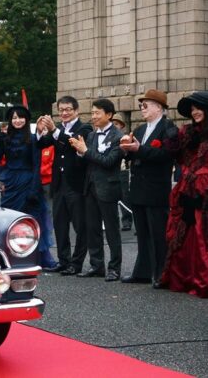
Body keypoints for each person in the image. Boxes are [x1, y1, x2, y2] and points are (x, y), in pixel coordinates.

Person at [119, 89, 176, 288]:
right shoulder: (141, 130)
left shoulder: (168, 127)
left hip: (156, 188)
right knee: (142, 233)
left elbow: (167, 154)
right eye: (141, 105)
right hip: (138, 187)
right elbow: (135, 153)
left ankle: (161, 273)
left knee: (158, 234)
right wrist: (126, 150)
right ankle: (142, 271)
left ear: (159, 107)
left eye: (146, 105)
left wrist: (139, 149)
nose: (142, 108)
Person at [0, 105, 56, 270]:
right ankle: (4, 256)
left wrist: (35, 188)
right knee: (4, 219)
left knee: (33, 219)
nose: (17, 120)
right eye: (14, 118)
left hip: (28, 180)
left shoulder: (33, 139)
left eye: (20, 117)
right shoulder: (5, 138)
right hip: (8, 181)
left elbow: (37, 164)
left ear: (26, 120)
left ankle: (39, 257)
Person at [36, 95, 93, 276]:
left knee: (79, 226)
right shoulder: (58, 128)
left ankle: (76, 263)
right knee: (59, 224)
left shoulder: (84, 128)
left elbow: (71, 143)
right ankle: (64, 260)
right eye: (61, 110)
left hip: (76, 184)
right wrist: (39, 131)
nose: (64, 113)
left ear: (76, 110)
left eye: (68, 109)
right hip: (59, 184)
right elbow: (42, 143)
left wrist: (54, 130)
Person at [69, 98, 124, 282]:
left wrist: (86, 151)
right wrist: (79, 152)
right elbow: (85, 162)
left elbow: (109, 162)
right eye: (92, 113)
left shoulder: (118, 136)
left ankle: (114, 268)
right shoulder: (91, 135)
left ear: (109, 115)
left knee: (112, 229)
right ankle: (96, 265)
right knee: (92, 228)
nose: (93, 116)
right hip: (90, 187)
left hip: (108, 187)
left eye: (97, 113)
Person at [160, 91, 208, 297]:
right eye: (192, 109)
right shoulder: (186, 131)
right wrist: (170, 140)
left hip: (204, 188)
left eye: (198, 108)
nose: (195, 112)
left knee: (201, 234)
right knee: (185, 233)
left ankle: (202, 280)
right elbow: (175, 154)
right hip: (186, 187)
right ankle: (185, 277)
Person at [112, 113, 133, 231]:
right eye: (112, 124)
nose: (114, 126)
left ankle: (127, 220)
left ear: (121, 126)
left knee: (125, 196)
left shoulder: (125, 138)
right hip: (110, 170)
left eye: (116, 124)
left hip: (122, 169)